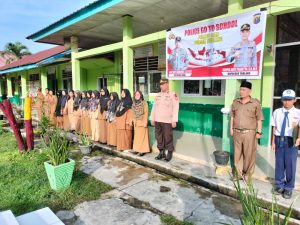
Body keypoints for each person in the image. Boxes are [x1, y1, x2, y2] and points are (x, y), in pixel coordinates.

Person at [230, 81, 264, 181]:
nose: (241, 92)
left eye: (244, 90)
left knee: (249, 155)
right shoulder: (235, 102)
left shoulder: (255, 103)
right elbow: (232, 117)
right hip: (237, 132)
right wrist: (231, 129)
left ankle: (248, 175)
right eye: (240, 89)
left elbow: (259, 119)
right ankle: (238, 174)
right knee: (237, 154)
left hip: (250, 133)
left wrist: (259, 132)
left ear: (250, 91)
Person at [271, 89, 300, 199]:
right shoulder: (277, 112)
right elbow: (274, 127)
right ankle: (279, 185)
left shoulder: (298, 113)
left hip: (291, 141)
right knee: (279, 164)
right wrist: (273, 141)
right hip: (279, 139)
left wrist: (299, 139)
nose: (286, 102)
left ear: (294, 100)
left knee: (290, 165)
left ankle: (289, 188)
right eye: (284, 100)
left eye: (289, 100)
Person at [150, 79, 179, 162]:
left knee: (167, 137)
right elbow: (154, 107)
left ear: (167, 84)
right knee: (158, 137)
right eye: (160, 84)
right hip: (158, 120)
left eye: (163, 84)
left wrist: (174, 120)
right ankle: (161, 152)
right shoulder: (158, 95)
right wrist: (152, 118)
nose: (161, 86)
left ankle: (169, 153)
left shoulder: (173, 94)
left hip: (167, 120)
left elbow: (175, 107)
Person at [132, 90, 150, 156]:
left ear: (141, 95)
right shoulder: (134, 103)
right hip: (136, 122)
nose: (137, 96)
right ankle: (137, 149)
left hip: (142, 122)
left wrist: (145, 122)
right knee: (137, 137)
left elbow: (146, 113)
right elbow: (133, 113)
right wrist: (134, 121)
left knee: (143, 137)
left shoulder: (144, 103)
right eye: (136, 94)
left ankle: (143, 150)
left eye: (138, 94)